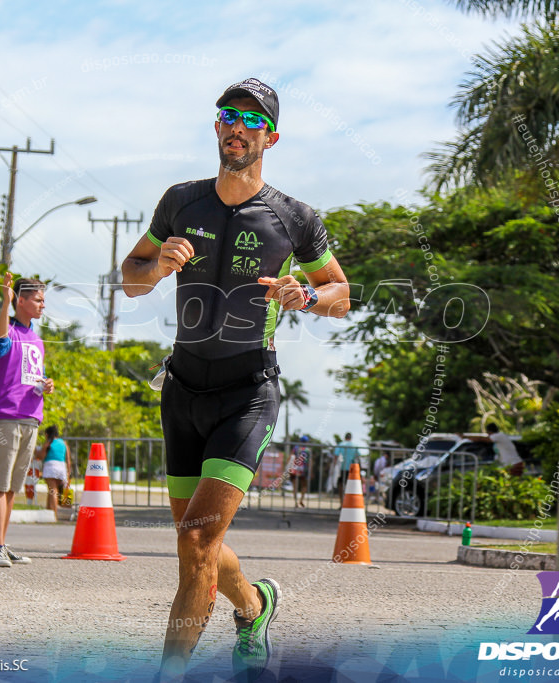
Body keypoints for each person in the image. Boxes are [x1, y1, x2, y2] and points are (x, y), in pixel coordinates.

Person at [121, 77, 350, 679]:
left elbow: (342, 293)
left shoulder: (293, 216)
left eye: (251, 121)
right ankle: (254, 606)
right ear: (216, 126)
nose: (237, 127)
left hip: (247, 393)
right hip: (182, 390)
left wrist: (307, 295)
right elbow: (130, 276)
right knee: (197, 539)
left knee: (196, 544)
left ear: (270, 137)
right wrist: (158, 264)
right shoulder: (180, 201)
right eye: (228, 116)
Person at [0, 272, 54, 568]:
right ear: (21, 301)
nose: (42, 305)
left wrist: (45, 384)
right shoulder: (5, 330)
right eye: (37, 300)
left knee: (12, 486)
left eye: (43, 300)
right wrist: (4, 301)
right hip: (5, 417)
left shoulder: (36, 339)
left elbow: (29, 376)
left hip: (30, 418)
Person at [39, 425, 72, 515]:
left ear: (47, 434)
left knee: (53, 491)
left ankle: (54, 514)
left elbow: (41, 456)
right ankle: (48, 512)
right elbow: (68, 460)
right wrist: (69, 473)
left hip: (50, 467)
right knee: (52, 491)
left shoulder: (48, 443)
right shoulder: (64, 443)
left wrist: (35, 452)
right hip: (61, 468)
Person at [333, 432, 359, 504]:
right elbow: (358, 456)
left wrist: (334, 466)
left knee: (340, 484)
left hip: (343, 467)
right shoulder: (355, 445)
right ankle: (349, 502)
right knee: (351, 485)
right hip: (352, 468)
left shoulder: (341, 444)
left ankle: (342, 502)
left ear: (345, 437)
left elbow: (336, 455)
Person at [289, 436, 312, 508]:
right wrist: (311, 470)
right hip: (304, 469)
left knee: (295, 486)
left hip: (295, 468)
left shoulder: (296, 448)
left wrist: (288, 467)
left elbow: (290, 457)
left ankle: (296, 502)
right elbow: (310, 461)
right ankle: (301, 500)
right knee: (304, 485)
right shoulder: (308, 450)